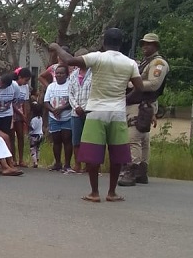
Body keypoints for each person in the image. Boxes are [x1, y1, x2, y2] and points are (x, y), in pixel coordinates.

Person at [50, 28, 144, 202]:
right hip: (117, 112)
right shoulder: (130, 63)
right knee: (117, 155)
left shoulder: (97, 57)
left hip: (96, 111)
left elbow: (69, 59)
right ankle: (112, 192)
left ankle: (94, 193)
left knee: (93, 155)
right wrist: (124, 98)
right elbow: (140, 88)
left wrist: (56, 46)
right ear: (121, 43)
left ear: (103, 43)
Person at [118, 33, 169, 186]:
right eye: (144, 44)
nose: (145, 46)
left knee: (133, 137)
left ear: (156, 46)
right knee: (143, 137)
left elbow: (154, 84)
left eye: (149, 44)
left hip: (143, 104)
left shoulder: (158, 63)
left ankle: (131, 171)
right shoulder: (146, 62)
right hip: (140, 103)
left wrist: (131, 84)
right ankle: (141, 171)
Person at [44, 65, 74, 173]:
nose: (58, 75)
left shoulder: (70, 85)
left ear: (67, 75)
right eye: (57, 73)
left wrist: (61, 109)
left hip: (67, 116)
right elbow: (46, 102)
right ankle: (57, 163)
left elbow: (72, 101)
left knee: (67, 140)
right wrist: (53, 110)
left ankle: (67, 164)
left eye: (61, 73)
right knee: (56, 141)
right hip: (54, 117)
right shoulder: (51, 86)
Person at [68, 52, 92, 173]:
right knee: (76, 140)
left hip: (89, 111)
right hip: (75, 112)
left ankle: (88, 165)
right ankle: (77, 164)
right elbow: (70, 93)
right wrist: (76, 107)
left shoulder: (94, 74)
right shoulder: (73, 75)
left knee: (88, 140)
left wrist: (85, 108)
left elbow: (95, 92)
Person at [11, 68, 32, 167]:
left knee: (21, 136)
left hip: (21, 113)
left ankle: (21, 159)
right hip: (12, 112)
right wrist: (21, 114)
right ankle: (13, 159)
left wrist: (25, 115)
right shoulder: (12, 85)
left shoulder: (26, 87)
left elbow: (25, 102)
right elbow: (11, 103)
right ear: (19, 77)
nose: (26, 82)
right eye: (25, 80)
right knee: (11, 137)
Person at [28, 102, 44, 168]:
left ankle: (35, 162)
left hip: (34, 135)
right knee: (38, 148)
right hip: (40, 134)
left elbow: (33, 128)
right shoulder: (41, 118)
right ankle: (37, 159)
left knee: (33, 149)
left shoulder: (33, 119)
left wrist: (28, 126)